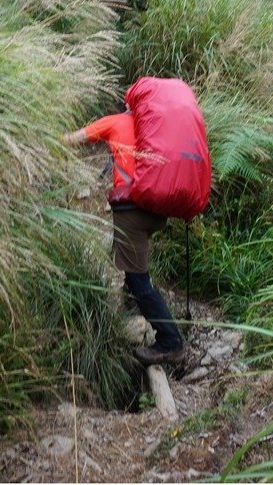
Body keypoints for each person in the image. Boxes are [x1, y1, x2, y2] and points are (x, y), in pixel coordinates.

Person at [63, 109, 186, 366]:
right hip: (158, 209)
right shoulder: (156, 125)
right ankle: (132, 304)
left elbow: (76, 138)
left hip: (131, 209)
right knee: (135, 260)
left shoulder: (115, 121)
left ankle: (170, 341)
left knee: (137, 276)